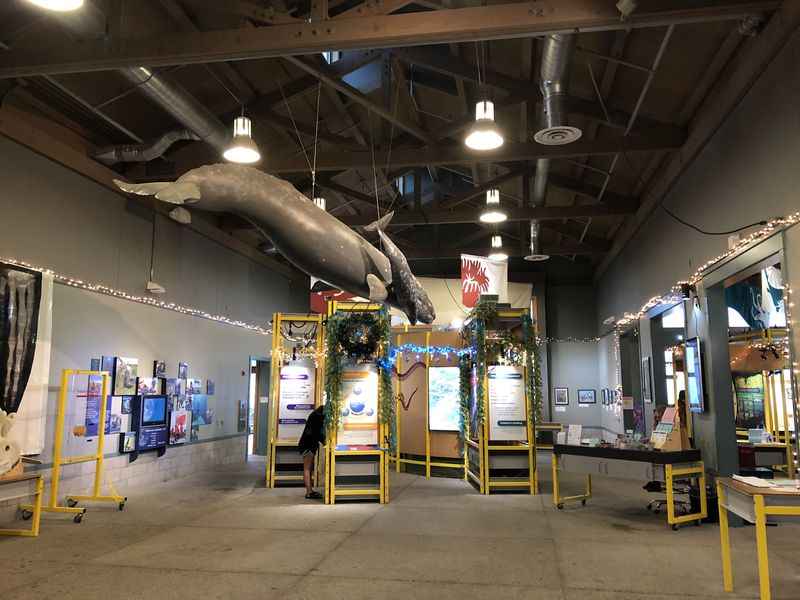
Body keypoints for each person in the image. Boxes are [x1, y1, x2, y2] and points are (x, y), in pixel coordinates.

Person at [297, 405, 326, 500]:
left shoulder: (313, 416)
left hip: (306, 444)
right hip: (308, 446)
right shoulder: (318, 418)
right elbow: (319, 434)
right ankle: (309, 492)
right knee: (307, 468)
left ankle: (310, 491)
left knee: (308, 468)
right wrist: (325, 442)